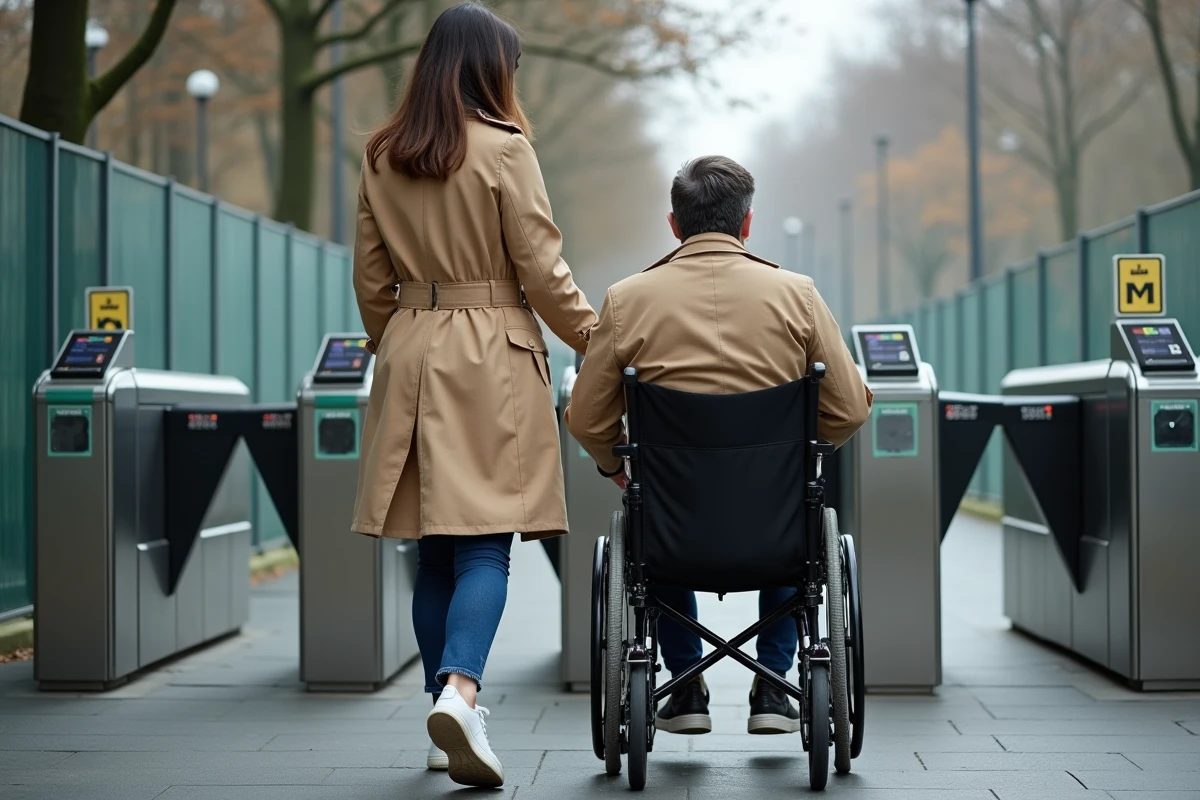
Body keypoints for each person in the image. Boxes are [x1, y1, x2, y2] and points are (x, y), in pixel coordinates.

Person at [351, 2, 596, 788]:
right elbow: (542, 272)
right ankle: (460, 694)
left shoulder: (380, 154)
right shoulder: (506, 149)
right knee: (487, 540)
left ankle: (440, 719)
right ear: (492, 69)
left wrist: (403, 340)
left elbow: (370, 282)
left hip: (410, 349)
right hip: (491, 352)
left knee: (434, 547)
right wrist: (600, 339)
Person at [565, 155, 871, 737]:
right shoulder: (798, 296)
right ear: (747, 223)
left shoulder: (627, 300)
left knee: (655, 497)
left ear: (674, 225)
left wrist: (613, 463)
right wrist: (804, 452)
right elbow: (850, 408)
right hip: (776, 531)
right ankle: (773, 686)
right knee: (792, 496)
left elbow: (584, 417)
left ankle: (684, 685)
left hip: (673, 534)